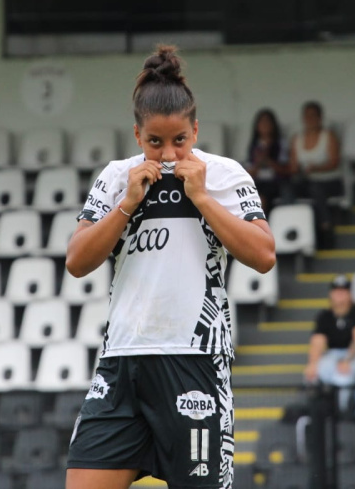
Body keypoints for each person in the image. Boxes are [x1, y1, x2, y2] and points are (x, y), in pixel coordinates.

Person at [64, 46, 275, 489]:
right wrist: (126, 204)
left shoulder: (224, 175)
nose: (168, 153)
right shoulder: (117, 176)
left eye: (179, 140)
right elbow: (78, 260)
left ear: (195, 129)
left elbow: (263, 255)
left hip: (192, 360)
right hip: (122, 362)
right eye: (155, 142)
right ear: (137, 135)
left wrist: (201, 198)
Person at [303, 275, 355, 411]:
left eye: (344, 291)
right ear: (331, 294)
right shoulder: (325, 315)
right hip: (333, 353)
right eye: (337, 291)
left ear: (350, 293)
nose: (340, 295)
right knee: (314, 374)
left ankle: (340, 411)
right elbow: (318, 341)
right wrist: (312, 364)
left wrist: (347, 360)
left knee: (343, 377)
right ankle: (318, 410)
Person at [288, 101, 342, 248]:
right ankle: (292, 225)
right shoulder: (296, 139)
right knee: (289, 189)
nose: (310, 119)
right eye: (307, 116)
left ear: (320, 117)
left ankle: (326, 227)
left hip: (330, 181)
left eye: (313, 115)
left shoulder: (328, 136)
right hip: (306, 181)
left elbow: (334, 162)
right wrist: (299, 169)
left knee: (316, 189)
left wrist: (316, 168)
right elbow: (292, 167)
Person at [244, 108, 289, 215]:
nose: (265, 125)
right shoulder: (253, 146)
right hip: (257, 182)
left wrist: (268, 160)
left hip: (276, 182)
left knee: (263, 197)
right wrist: (258, 163)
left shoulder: (281, 144)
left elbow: (286, 170)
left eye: (268, 122)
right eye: (262, 122)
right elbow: (249, 173)